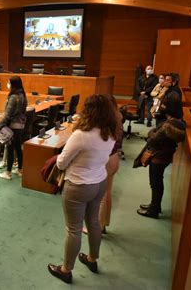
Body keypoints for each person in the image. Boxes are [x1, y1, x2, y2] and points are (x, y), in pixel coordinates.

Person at [47, 95, 117, 284]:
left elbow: (61, 163)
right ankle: (92, 259)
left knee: (74, 229)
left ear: (88, 111)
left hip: (78, 186)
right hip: (99, 182)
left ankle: (65, 270)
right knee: (93, 222)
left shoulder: (81, 135)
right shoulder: (110, 132)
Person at [83, 95, 124, 235]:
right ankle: (104, 223)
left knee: (101, 196)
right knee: (107, 193)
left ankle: (98, 227)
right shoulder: (117, 118)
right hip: (114, 158)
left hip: (107, 160)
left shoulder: (108, 122)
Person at [137, 106, 186, 219]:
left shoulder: (168, 125)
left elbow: (152, 140)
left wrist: (150, 133)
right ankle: (155, 205)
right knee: (158, 182)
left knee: (155, 183)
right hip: (166, 155)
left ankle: (153, 210)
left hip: (158, 156)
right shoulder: (180, 123)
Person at [0, 76, 28, 180]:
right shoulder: (23, 95)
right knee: (18, 147)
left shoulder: (13, 97)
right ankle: (20, 170)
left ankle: (8, 173)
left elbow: (8, 115)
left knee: (10, 149)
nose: (8, 84)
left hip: (13, 126)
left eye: (9, 82)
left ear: (13, 84)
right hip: (21, 125)